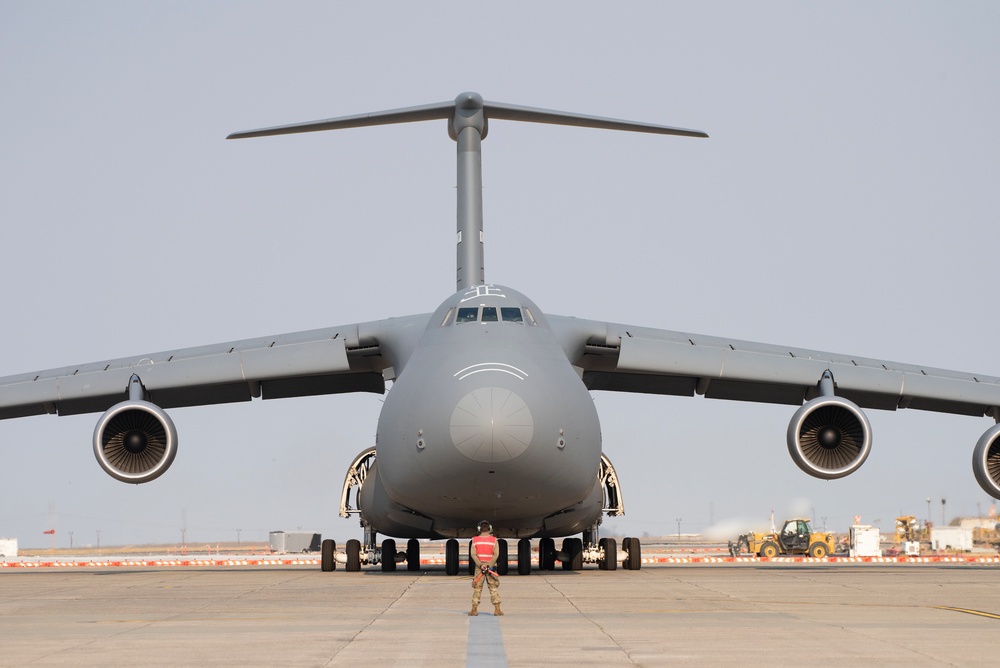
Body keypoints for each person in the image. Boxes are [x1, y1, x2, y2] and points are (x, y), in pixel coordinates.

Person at [469, 520, 502, 616]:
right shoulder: (494, 540)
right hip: (490, 568)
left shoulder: (475, 540)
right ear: (489, 528)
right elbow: (496, 555)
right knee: (493, 588)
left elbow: (473, 554)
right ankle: (497, 609)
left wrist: (480, 565)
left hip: (480, 568)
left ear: (479, 528)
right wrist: (489, 566)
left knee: (477, 588)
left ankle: (474, 610)